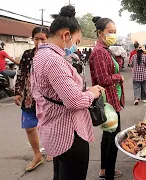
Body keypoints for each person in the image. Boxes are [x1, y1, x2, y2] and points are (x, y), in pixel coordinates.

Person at [30, 5, 104, 180]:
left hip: (53, 129)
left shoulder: (40, 55)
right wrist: (92, 93)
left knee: (60, 174)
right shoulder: (54, 60)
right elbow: (74, 102)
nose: (75, 46)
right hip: (69, 134)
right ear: (65, 35)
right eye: (76, 41)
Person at [90, 16, 124, 180]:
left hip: (112, 99)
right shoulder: (98, 52)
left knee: (108, 135)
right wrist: (119, 77)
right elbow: (103, 80)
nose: (113, 35)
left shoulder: (105, 50)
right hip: (108, 101)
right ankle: (109, 174)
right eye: (110, 32)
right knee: (113, 139)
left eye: (115, 32)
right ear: (100, 33)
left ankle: (104, 170)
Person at [14, 26, 52, 171]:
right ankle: (37, 155)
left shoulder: (52, 55)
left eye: (43, 39)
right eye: (36, 39)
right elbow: (22, 73)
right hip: (30, 98)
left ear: (48, 39)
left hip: (47, 99)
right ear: (32, 39)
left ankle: (52, 150)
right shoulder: (27, 54)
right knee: (30, 127)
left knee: (49, 126)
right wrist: (18, 92)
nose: (39, 42)